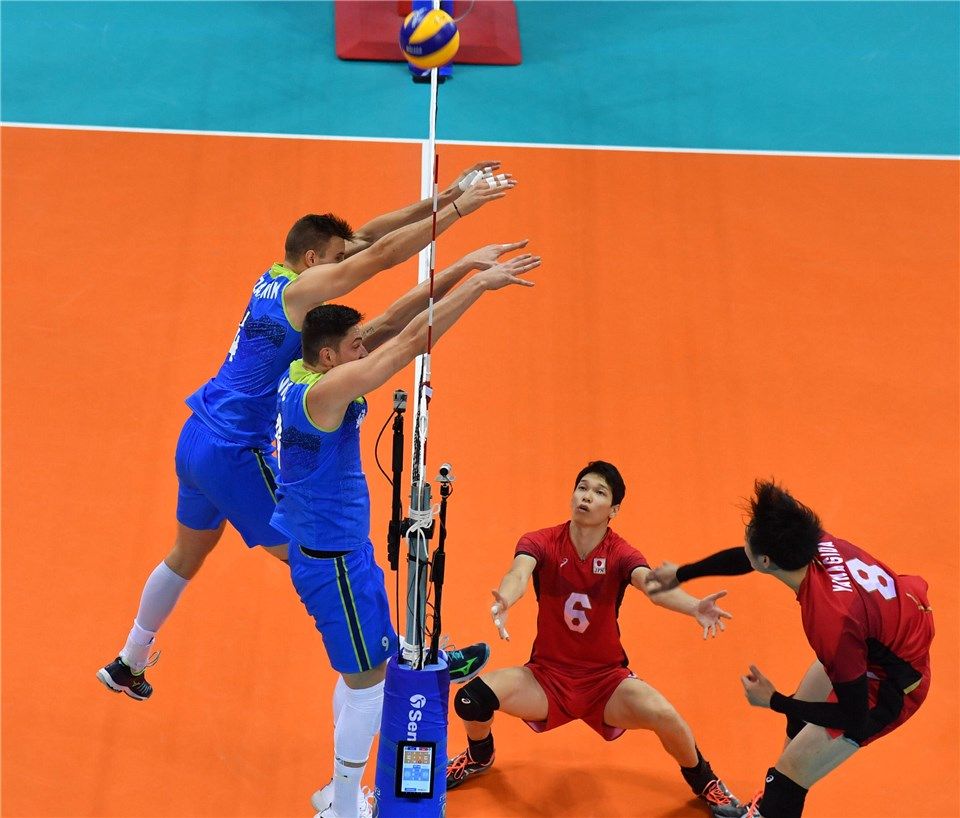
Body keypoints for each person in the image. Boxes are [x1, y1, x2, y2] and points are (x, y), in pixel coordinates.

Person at [97, 162, 514, 700]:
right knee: (328, 554)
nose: (349, 263)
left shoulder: (276, 280)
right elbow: (380, 256)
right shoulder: (299, 294)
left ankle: (129, 660)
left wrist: (448, 193)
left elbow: (368, 240)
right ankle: (409, 657)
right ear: (314, 260)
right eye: (340, 259)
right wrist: (460, 209)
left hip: (197, 434)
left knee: (186, 554)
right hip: (234, 452)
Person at [270, 246, 541, 818]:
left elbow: (395, 320)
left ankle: (338, 792)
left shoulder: (307, 370)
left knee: (361, 670)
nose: (363, 349)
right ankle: (344, 808)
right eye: (355, 347)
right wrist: (481, 287)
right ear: (328, 355)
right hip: (333, 565)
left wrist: (465, 265)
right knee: (369, 685)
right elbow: (413, 341)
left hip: (345, 553)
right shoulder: (322, 394)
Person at [445, 461, 744, 818]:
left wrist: (694, 606)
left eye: (599, 492)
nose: (586, 497)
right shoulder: (540, 541)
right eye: (582, 488)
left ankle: (705, 781)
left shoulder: (620, 553)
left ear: (613, 510)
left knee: (666, 716)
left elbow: (651, 586)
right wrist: (506, 599)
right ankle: (479, 756)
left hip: (606, 683)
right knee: (470, 699)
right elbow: (518, 573)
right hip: (546, 678)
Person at [643, 480, 935, 818]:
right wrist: (683, 574)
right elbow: (750, 558)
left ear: (768, 560)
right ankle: (771, 804)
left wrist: (773, 700)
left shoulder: (830, 619)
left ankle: (776, 802)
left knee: (790, 774)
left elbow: (854, 717)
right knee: (800, 713)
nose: (747, 542)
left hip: (891, 686)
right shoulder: (814, 541)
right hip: (874, 643)